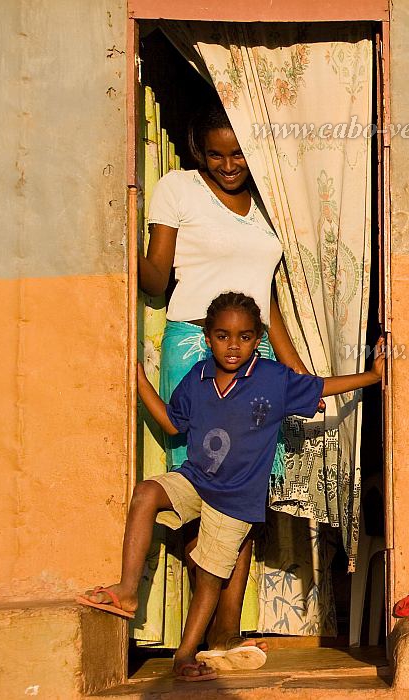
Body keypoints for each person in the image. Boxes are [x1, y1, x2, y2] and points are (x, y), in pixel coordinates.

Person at [77, 292, 385, 681]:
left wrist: (372, 377)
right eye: (223, 336)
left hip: (236, 499)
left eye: (243, 337)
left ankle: (186, 654)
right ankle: (126, 590)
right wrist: (139, 383)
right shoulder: (197, 378)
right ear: (207, 337)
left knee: (209, 574)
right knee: (146, 493)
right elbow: (174, 424)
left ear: (258, 340)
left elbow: (320, 386)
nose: (233, 345)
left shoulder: (273, 378)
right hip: (195, 479)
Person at [140, 103, 312, 660]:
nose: (228, 164)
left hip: (255, 348)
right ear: (199, 152)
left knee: (244, 494)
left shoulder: (270, 199)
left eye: (237, 152)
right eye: (216, 153)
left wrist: (290, 364)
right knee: (204, 489)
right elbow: (154, 277)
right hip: (197, 344)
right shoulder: (178, 189)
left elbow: (268, 296)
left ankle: (224, 633)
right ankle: (211, 634)